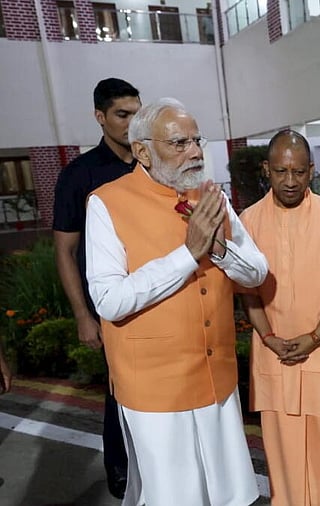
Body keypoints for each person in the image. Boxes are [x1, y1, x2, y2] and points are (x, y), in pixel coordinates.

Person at [85, 97, 268, 506]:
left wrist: (219, 251)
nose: (196, 151)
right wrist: (188, 255)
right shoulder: (106, 203)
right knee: (175, 496)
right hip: (155, 389)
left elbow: (256, 272)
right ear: (143, 151)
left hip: (215, 379)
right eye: (180, 143)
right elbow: (109, 300)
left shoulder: (209, 196)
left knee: (229, 493)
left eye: (197, 140)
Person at [238, 130, 320, 506]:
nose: (290, 181)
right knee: (285, 451)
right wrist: (267, 338)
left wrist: (315, 337)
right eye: (281, 172)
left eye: (298, 172)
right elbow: (247, 291)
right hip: (274, 353)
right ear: (267, 170)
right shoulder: (249, 220)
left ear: (312, 170)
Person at [52, 77, 141, 499]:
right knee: (118, 389)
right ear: (100, 117)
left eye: (137, 113)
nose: (131, 123)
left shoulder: (153, 166)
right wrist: (83, 316)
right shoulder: (80, 175)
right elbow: (65, 251)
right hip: (109, 305)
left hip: (157, 299)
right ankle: (121, 473)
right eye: (123, 115)